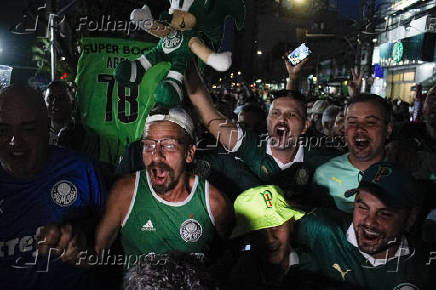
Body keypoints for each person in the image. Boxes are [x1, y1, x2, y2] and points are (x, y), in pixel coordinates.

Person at [40, 106, 234, 268]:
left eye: (168, 145)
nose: (156, 155)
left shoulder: (214, 203)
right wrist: (75, 250)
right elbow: (96, 256)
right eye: (149, 145)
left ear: (190, 153)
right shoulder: (125, 192)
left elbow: (227, 256)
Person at [0, 85, 106, 290]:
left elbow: (116, 247)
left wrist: (84, 241)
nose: (15, 141)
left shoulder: (82, 170)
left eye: (28, 129)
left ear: (47, 127)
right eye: (3, 130)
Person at [186, 60, 339, 195]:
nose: (282, 119)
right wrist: (186, 60)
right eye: (276, 113)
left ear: (305, 126)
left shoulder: (321, 157)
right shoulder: (250, 146)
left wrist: (293, 78)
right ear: (267, 120)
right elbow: (209, 115)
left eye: (291, 115)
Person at [297, 162, 435, 289]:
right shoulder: (321, 228)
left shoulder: (426, 265)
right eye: (362, 208)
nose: (369, 222)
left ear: (410, 217)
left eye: (384, 214)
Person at [314, 94, 393, 213]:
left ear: (388, 130)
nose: (360, 129)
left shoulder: (403, 174)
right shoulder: (323, 175)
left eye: (370, 122)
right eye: (352, 122)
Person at [229, 185, 305, 289]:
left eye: (276, 226)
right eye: (258, 231)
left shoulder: (316, 265)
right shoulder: (238, 280)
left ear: (291, 223)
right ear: (247, 238)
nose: (270, 239)